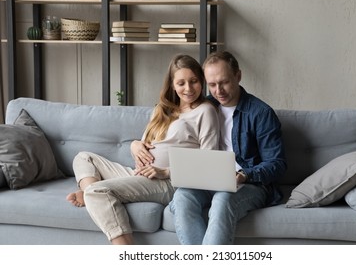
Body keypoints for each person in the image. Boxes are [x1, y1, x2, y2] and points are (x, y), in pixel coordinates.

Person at [66, 54, 220, 245]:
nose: (188, 88)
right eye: (181, 83)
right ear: (172, 84)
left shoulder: (205, 111)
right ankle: (90, 193)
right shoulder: (162, 110)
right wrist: (134, 145)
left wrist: (166, 172)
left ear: (202, 81)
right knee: (83, 158)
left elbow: (210, 163)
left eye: (194, 81)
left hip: (168, 182)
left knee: (98, 192)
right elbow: (146, 145)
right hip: (138, 173)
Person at [169, 51, 287, 244]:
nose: (218, 91)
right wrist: (136, 144)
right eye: (212, 85)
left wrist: (245, 175)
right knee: (182, 197)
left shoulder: (261, 113)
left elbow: (278, 163)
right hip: (208, 180)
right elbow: (164, 126)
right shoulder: (204, 106)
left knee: (223, 200)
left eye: (224, 82)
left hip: (249, 184)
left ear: (238, 76)